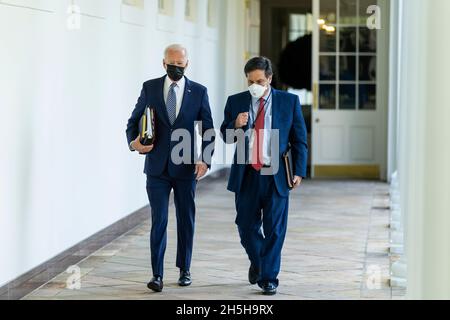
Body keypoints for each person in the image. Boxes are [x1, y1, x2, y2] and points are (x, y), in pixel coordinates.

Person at [126, 44, 215, 293]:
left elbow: (207, 129)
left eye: (181, 63)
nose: (176, 67)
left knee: (186, 219)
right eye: (171, 63)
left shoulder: (198, 91)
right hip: (156, 167)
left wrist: (205, 159)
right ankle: (157, 274)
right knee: (159, 220)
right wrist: (134, 144)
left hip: (187, 167)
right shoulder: (150, 87)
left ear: (187, 64)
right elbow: (133, 122)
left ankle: (184, 269)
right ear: (163, 63)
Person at [220, 56, 308, 295]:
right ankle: (259, 262)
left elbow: (299, 140)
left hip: (276, 174)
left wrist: (299, 171)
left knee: (275, 229)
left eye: (260, 80)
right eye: (250, 81)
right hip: (247, 174)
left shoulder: (289, 102)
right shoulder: (236, 101)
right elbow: (226, 137)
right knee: (245, 226)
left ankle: (268, 277)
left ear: (269, 78)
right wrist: (235, 124)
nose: (255, 85)